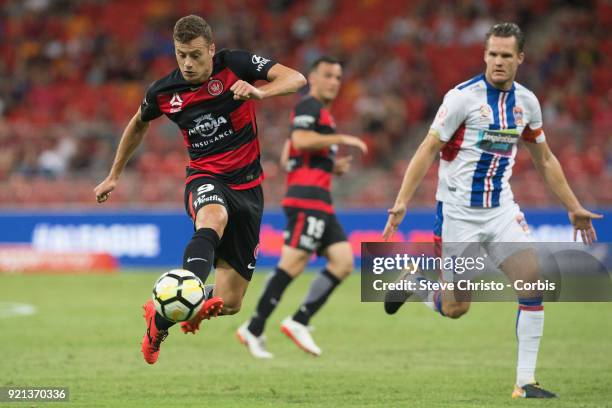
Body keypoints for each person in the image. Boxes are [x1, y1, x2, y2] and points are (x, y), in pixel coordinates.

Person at [382, 22, 602, 398]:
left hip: (501, 210)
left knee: (533, 282)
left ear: (520, 58)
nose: (498, 61)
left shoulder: (527, 103)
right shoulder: (461, 98)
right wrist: (402, 200)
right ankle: (417, 285)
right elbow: (427, 149)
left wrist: (574, 206)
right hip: (457, 215)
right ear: (485, 55)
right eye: (492, 54)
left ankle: (525, 383)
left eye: (506, 55)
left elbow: (545, 159)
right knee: (455, 309)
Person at [93, 15, 306, 365]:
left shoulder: (235, 65)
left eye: (195, 55)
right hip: (205, 177)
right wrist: (114, 174)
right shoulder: (164, 92)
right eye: (181, 56)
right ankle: (186, 289)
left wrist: (259, 91)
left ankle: (160, 317)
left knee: (230, 302)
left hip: (249, 188)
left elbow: (296, 78)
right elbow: (137, 124)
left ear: (211, 49)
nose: (188, 64)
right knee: (213, 216)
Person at [236, 56, 367, 358]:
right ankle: (254, 327)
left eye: (338, 77)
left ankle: (299, 320)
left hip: (320, 199)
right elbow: (299, 139)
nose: (334, 81)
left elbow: (287, 156)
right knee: (292, 265)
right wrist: (340, 138)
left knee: (343, 261)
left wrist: (329, 165)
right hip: (307, 199)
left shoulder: (321, 114)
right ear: (314, 77)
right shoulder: (310, 106)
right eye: (328, 76)